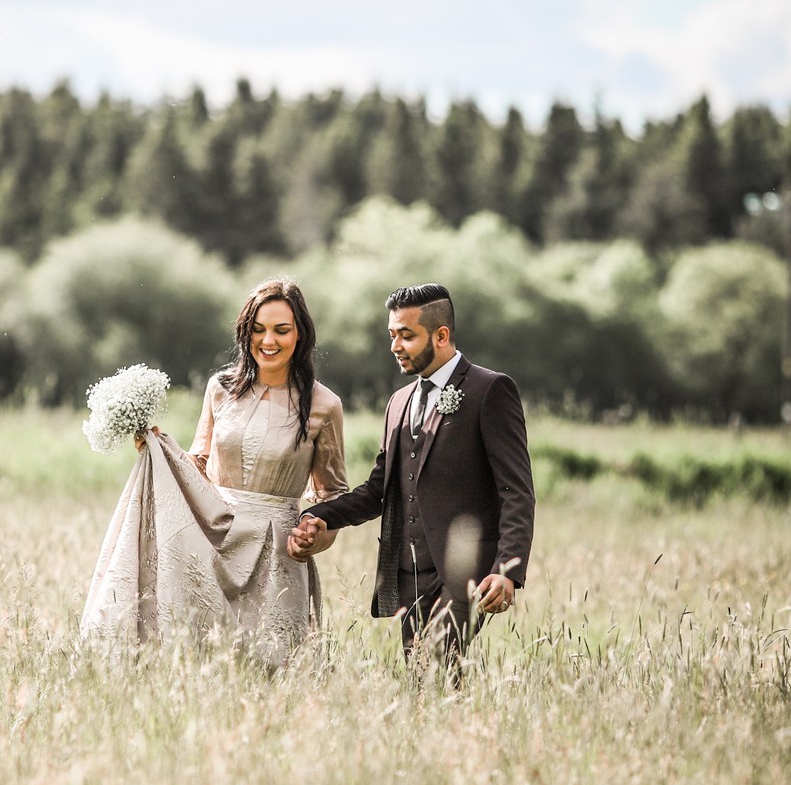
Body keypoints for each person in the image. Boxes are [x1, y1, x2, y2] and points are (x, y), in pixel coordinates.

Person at [81, 278, 349, 667]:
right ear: (245, 333)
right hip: (216, 538)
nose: (268, 340)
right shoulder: (220, 388)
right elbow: (198, 464)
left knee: (275, 666)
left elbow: (333, 494)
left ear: (301, 335)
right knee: (207, 658)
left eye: (281, 330)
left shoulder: (325, 404)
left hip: (279, 551)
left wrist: (318, 534)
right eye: (258, 330)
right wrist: (159, 449)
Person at [288, 283, 534, 674]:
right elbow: (378, 490)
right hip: (409, 572)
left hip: (467, 572)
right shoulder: (399, 402)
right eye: (392, 335)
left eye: (406, 335)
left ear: (441, 335)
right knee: (423, 678)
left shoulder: (490, 390)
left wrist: (506, 571)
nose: (395, 346)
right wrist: (321, 515)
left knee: (438, 663)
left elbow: (516, 491)